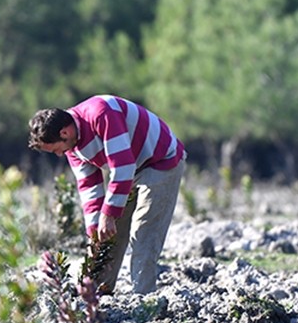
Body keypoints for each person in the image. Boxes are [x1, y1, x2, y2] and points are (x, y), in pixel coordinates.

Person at [28, 94, 186, 294]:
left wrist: (108, 214)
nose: (60, 154)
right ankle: (96, 293)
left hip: (160, 161)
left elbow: (123, 167)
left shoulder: (101, 114)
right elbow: (89, 188)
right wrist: (95, 233)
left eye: (57, 149)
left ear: (65, 132)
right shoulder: (72, 146)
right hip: (130, 168)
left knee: (143, 232)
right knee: (107, 235)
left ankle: (145, 300)